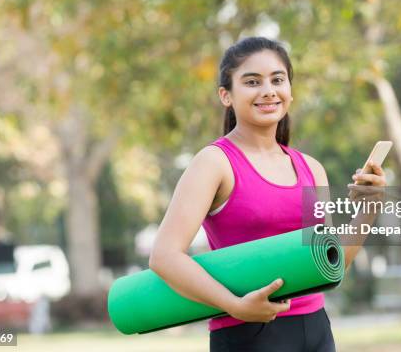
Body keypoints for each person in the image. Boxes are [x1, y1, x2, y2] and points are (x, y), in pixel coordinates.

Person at [149, 37, 386, 351]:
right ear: (226, 95)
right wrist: (234, 304)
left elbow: (332, 265)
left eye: (278, 79)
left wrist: (367, 209)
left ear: (290, 90)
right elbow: (164, 256)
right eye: (251, 82)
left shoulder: (311, 168)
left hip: (315, 329)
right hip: (247, 334)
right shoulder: (214, 162)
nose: (268, 91)